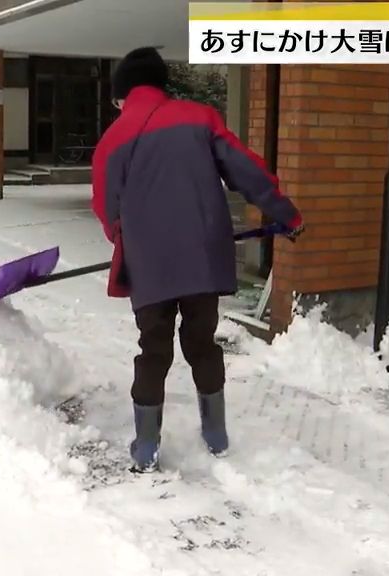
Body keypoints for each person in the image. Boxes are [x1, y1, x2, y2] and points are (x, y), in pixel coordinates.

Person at [91, 47, 304, 472]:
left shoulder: (111, 141)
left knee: (153, 349)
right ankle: (216, 434)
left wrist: (129, 237)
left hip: (151, 268)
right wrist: (287, 215)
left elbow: (106, 209)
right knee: (202, 344)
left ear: (124, 95)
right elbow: (248, 172)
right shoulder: (199, 117)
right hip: (203, 261)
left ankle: (147, 445)